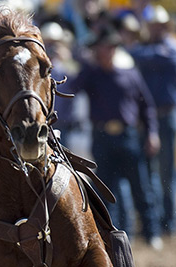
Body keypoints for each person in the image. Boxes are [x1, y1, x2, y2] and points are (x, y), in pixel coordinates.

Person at [68, 26, 163, 249]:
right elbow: (73, 87)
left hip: (128, 136)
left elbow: (146, 107)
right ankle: (110, 235)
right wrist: (87, 65)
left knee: (140, 185)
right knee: (105, 190)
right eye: (103, 48)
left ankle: (152, 233)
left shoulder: (130, 74)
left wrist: (152, 133)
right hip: (102, 137)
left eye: (110, 47)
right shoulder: (92, 74)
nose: (107, 52)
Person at [130, 5, 176, 235]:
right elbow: (139, 56)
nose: (156, 29)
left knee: (167, 170)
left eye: (159, 26)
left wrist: (149, 54)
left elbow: (164, 59)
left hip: (167, 115)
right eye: (153, 26)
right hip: (147, 118)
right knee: (149, 171)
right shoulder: (152, 50)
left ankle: (169, 219)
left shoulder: (167, 49)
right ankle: (158, 222)